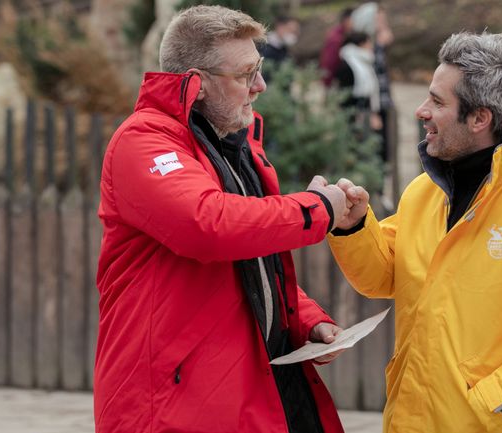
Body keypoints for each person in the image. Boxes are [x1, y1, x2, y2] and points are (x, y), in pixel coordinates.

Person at [327, 32, 502, 432]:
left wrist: (493, 400)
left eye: (438, 101)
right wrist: (354, 227)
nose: (421, 111)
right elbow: (383, 277)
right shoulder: (424, 192)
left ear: (480, 118)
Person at [93, 6, 348, 433]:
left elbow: (250, 261)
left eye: (259, 70)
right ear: (197, 83)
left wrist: (306, 319)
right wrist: (317, 208)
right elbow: (209, 226)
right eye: (246, 74)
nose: (260, 86)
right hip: (174, 405)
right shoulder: (143, 142)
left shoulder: (231, 144)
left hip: (245, 387)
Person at [350, 2, 393, 163]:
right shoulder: (364, 46)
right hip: (372, 109)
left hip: (382, 104)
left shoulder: (376, 44)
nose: (383, 25)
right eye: (379, 20)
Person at [334, 31, 382, 134]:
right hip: (352, 114)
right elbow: (344, 93)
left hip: (364, 112)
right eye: (369, 43)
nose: (371, 46)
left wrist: (373, 112)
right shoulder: (346, 65)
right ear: (361, 44)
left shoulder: (364, 62)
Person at [319, 7, 354, 88]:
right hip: (335, 82)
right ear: (347, 20)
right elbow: (329, 63)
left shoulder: (346, 34)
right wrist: (327, 83)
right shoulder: (336, 38)